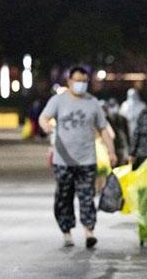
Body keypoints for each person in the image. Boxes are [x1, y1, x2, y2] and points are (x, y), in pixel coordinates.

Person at [38, 67, 117, 249]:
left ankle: (89, 232)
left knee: (87, 196)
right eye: (78, 80)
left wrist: (111, 151)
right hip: (63, 160)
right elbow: (44, 117)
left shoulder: (93, 103)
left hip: (87, 159)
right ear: (70, 81)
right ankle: (66, 232)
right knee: (64, 197)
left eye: (84, 81)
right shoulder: (58, 100)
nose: (81, 84)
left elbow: (103, 129)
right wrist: (46, 127)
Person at [104, 98, 131, 166]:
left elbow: (127, 134)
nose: (113, 109)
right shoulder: (105, 120)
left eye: (114, 106)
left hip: (122, 146)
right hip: (111, 148)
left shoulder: (123, 119)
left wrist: (129, 149)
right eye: (111, 106)